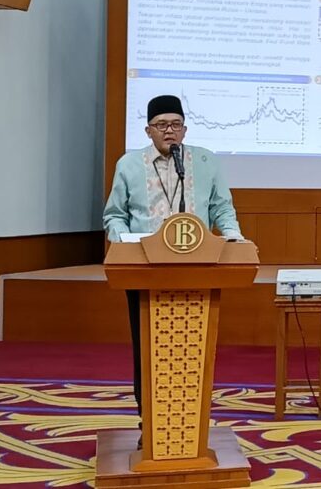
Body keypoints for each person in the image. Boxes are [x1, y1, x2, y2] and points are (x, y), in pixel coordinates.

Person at [101, 94, 242, 444]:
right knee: (148, 349)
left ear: (185, 129)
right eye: (162, 125)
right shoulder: (129, 164)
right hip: (144, 269)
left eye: (176, 125)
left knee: (192, 349)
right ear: (148, 130)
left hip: (198, 269)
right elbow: (115, 214)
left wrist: (234, 238)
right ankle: (148, 421)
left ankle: (191, 422)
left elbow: (222, 208)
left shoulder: (205, 161)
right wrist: (123, 243)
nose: (170, 131)